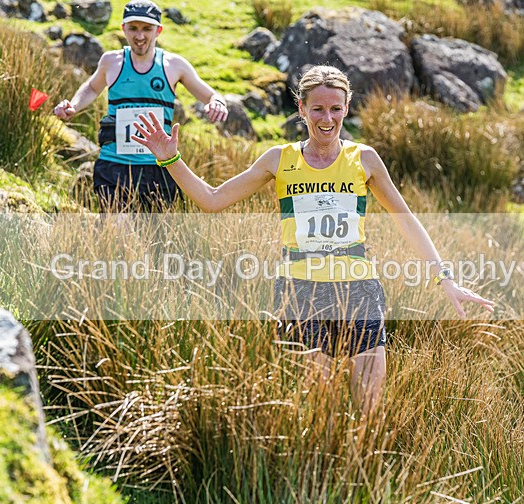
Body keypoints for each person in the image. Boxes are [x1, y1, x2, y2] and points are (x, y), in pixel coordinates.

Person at [130, 66, 494, 416]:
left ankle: (361, 474)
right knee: (318, 412)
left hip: (359, 292)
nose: (327, 118)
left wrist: (444, 278)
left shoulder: (364, 159)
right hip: (299, 293)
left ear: (346, 108)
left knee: (368, 410)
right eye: (317, 108)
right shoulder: (279, 159)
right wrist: (170, 159)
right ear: (301, 108)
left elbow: (407, 220)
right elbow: (211, 200)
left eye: (336, 109)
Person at [53, 1, 228, 212]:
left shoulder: (174, 65)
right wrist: (73, 105)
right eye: (133, 28)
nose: (140, 36)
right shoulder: (111, 61)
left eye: (147, 29)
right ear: (123, 29)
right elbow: (91, 88)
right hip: (115, 164)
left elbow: (211, 95)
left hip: (159, 166)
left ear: (158, 31)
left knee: (154, 237)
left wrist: (217, 103)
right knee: (117, 231)